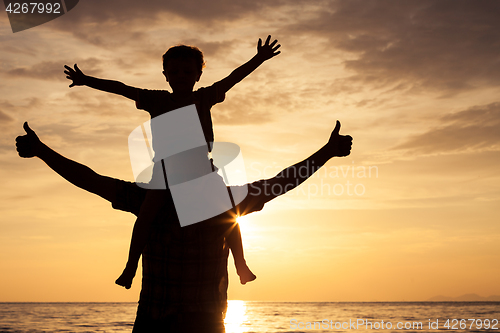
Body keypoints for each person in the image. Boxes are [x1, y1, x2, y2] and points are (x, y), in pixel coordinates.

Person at [16, 120, 352, 333]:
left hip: (200, 320)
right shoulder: (151, 199)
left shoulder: (223, 199)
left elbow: (282, 182)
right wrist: (42, 151)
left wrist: (327, 152)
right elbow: (90, 179)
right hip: (156, 319)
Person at [64, 36, 282, 288]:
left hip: (201, 170)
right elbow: (121, 87)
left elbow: (233, 78)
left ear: (198, 75)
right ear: (165, 74)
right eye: (175, 71)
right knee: (145, 215)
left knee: (227, 213)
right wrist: (85, 80)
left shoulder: (204, 97)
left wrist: (258, 58)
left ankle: (241, 265)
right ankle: (130, 267)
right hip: (166, 170)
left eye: (187, 71)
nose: (180, 76)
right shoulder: (156, 100)